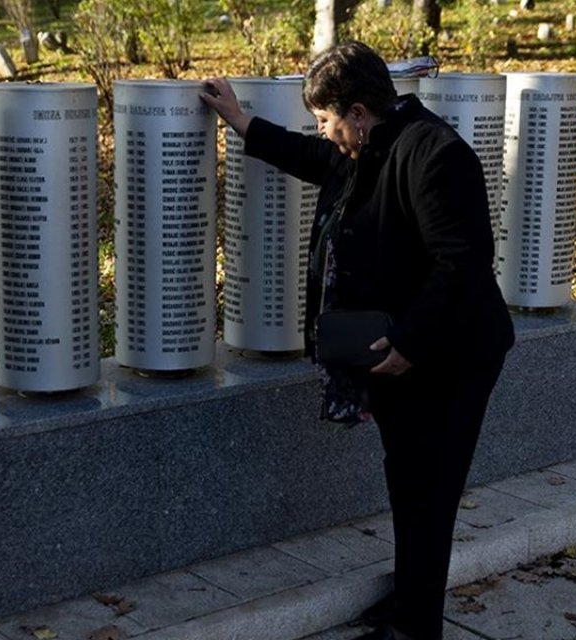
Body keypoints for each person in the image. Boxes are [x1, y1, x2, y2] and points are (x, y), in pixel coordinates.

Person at [201, 42, 515, 640]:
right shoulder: (369, 147)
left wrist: (408, 343)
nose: (324, 132)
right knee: (409, 482)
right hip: (402, 354)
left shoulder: (436, 154)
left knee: (430, 490)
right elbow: (310, 156)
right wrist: (239, 119)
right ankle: (411, 599)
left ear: (359, 112)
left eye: (326, 119)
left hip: (451, 359)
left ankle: (416, 628)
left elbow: (463, 264)